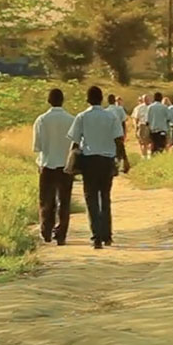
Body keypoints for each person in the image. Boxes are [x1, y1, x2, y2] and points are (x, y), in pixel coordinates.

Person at [68, 86, 129, 249]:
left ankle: (96, 236)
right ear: (101, 99)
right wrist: (125, 160)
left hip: (89, 161)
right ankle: (107, 235)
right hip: (107, 161)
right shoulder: (110, 116)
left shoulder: (81, 117)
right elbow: (118, 140)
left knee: (91, 199)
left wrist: (70, 163)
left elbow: (74, 142)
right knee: (105, 197)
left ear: (87, 100)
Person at [32, 88, 75, 245]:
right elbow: (77, 145)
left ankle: (46, 230)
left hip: (47, 164)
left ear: (48, 101)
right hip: (66, 166)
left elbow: (37, 147)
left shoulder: (41, 120)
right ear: (62, 100)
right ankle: (61, 233)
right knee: (64, 201)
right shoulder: (72, 120)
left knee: (46, 201)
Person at [131, 94, 152, 159]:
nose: (147, 100)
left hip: (151, 125)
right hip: (143, 125)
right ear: (143, 100)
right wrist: (136, 127)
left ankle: (150, 154)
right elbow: (135, 118)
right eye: (145, 99)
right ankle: (144, 155)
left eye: (148, 99)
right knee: (143, 142)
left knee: (151, 141)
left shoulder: (152, 106)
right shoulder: (139, 108)